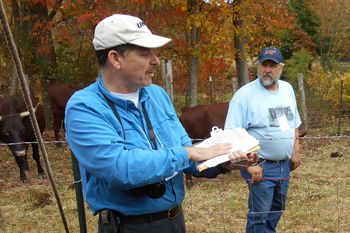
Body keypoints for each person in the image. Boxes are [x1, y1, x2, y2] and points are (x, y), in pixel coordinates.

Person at [65, 14, 256, 233]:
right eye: (145, 53)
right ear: (115, 58)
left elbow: (188, 154)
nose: (156, 60)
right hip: (127, 227)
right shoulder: (85, 107)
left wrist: (223, 160)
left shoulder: (157, 95)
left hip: (174, 220)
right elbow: (118, 168)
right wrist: (189, 153)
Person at [224, 46, 302, 233]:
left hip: (284, 165)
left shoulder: (287, 89)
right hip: (260, 166)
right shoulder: (244, 95)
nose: (267, 70)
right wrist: (248, 166)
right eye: (264, 65)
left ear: (280, 68)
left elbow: (293, 123)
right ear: (258, 67)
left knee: (277, 210)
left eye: (272, 65)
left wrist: (296, 150)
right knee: (260, 216)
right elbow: (232, 134)